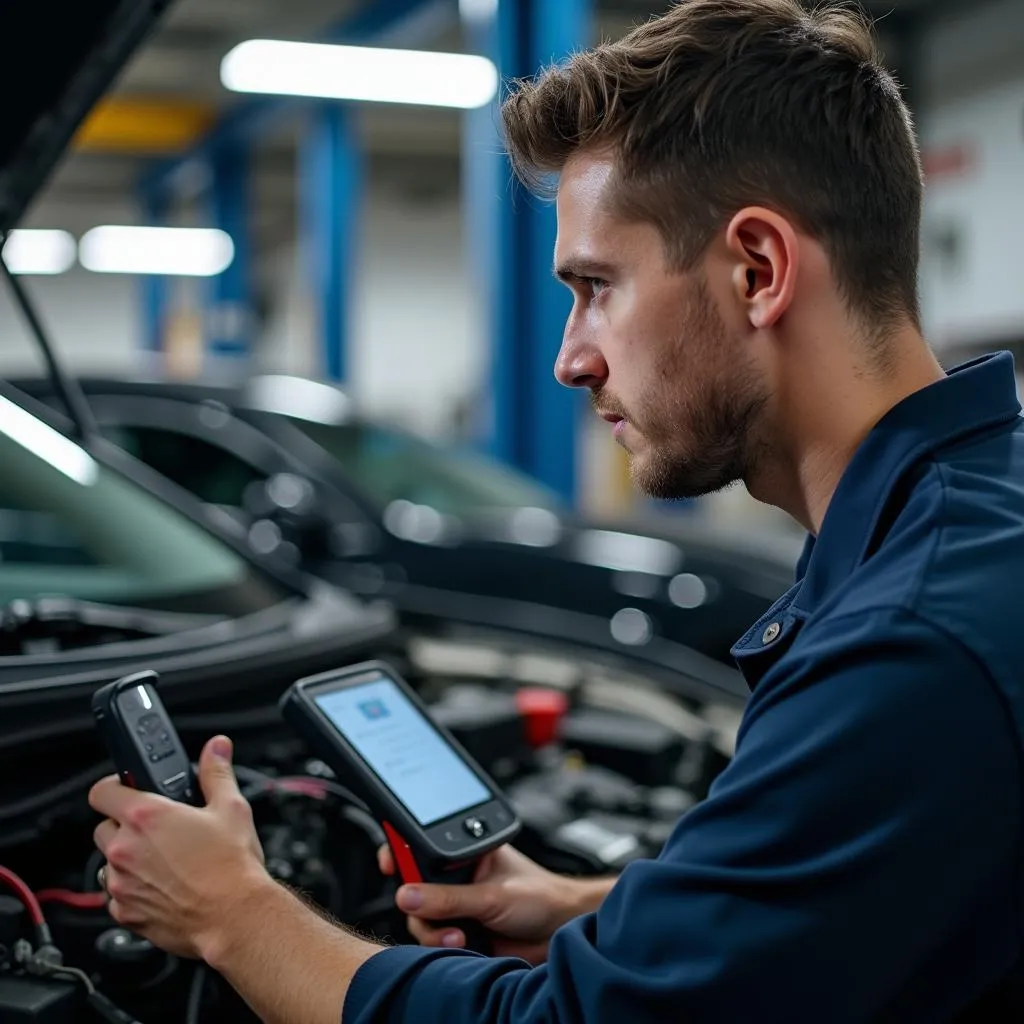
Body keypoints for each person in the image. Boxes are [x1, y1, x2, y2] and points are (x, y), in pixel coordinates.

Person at [88, 0, 1024, 1020]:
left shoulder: (914, 637)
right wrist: (594, 907)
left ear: (757, 270)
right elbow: (868, 903)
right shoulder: (959, 523)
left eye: (596, 287)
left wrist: (234, 912)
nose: (570, 357)